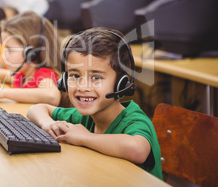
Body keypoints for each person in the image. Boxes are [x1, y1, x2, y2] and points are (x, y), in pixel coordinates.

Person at [27, 28, 163, 179]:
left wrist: (84, 137)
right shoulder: (85, 117)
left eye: (96, 77)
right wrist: (47, 124)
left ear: (121, 83)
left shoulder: (133, 120)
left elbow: (137, 149)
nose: (82, 87)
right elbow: (37, 108)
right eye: (75, 75)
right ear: (64, 81)